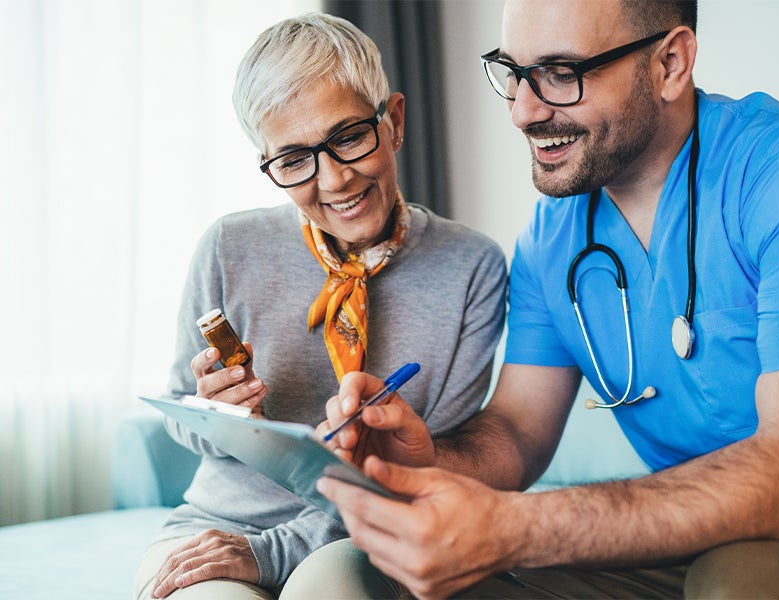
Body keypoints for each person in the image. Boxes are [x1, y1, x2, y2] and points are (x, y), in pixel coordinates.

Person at [283, 0, 779, 598]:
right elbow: (518, 433)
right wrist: (421, 459)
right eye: (513, 72)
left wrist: (515, 528)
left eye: (560, 74)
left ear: (670, 63)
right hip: (693, 537)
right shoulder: (553, 235)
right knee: (371, 578)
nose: (522, 112)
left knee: (737, 582)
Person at [132, 12, 507, 600]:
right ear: (269, 164)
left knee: (330, 587)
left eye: (349, 136)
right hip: (220, 527)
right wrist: (221, 414)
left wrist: (274, 553)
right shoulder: (228, 246)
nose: (332, 181)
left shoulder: (472, 269)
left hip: (373, 533)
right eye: (293, 160)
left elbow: (424, 474)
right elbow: (186, 422)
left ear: (396, 122)